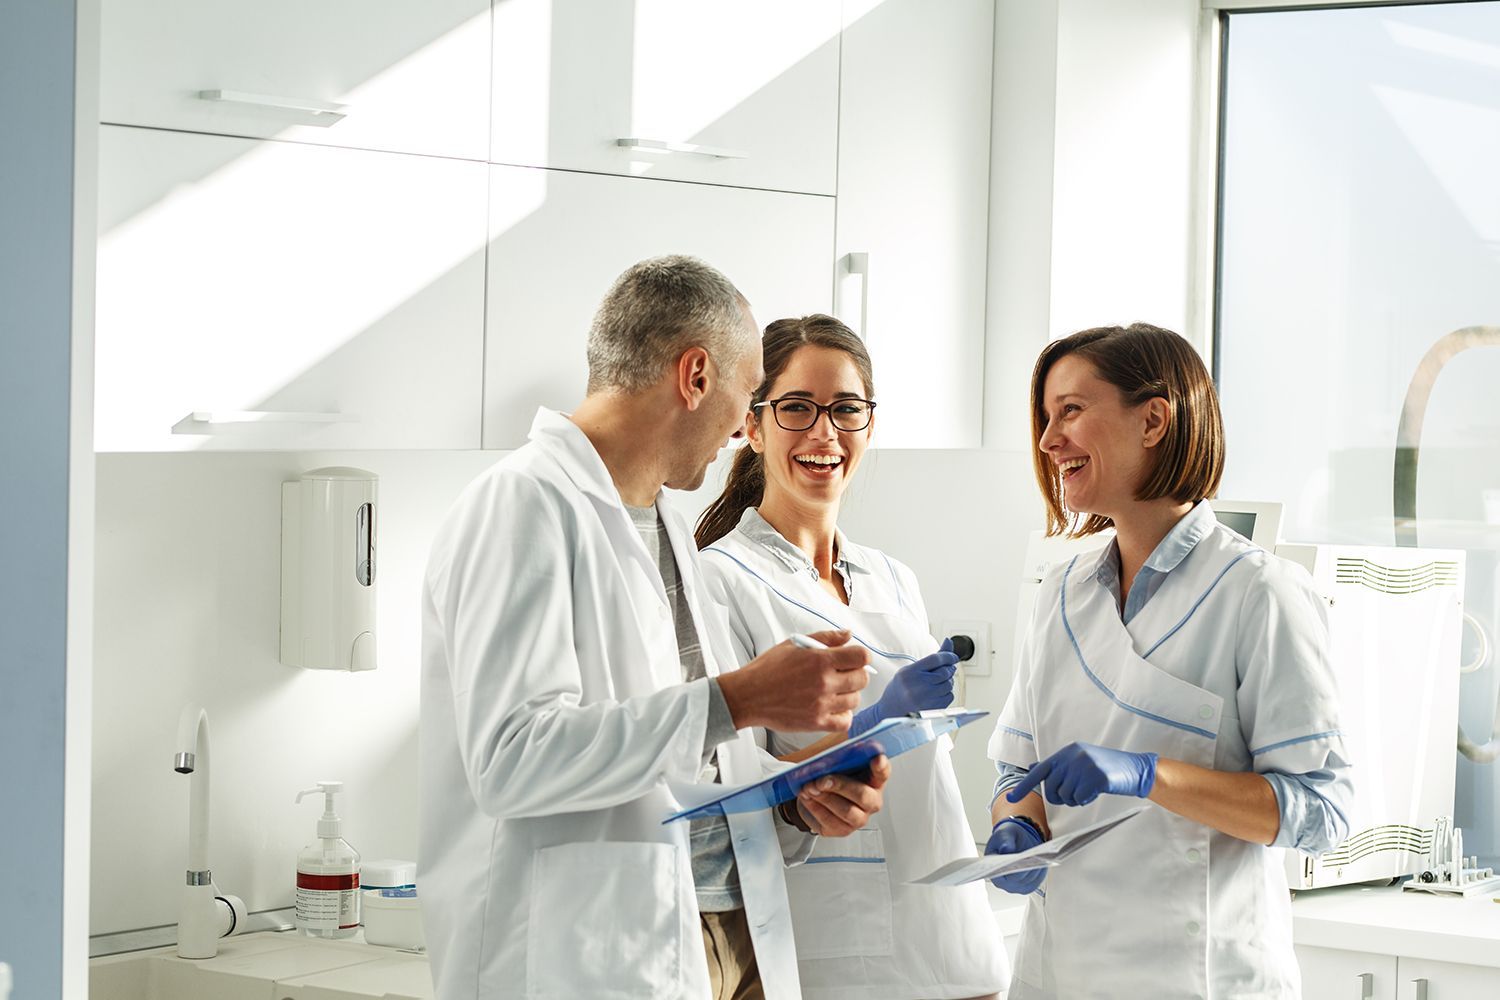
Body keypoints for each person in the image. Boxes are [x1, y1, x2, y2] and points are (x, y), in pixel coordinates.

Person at [419, 257, 892, 1000]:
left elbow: (678, 761)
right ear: (696, 375)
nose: (744, 428)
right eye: (749, 394)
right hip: (583, 957)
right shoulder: (521, 507)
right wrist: (738, 700)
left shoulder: (671, 521)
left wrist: (793, 798)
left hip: (725, 933)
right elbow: (511, 759)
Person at [985, 323, 1354, 998]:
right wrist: (1015, 819)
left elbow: (1320, 810)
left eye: (1069, 410)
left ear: (1153, 419)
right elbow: (1019, 765)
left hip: (1199, 978)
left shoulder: (1258, 594)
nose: (1047, 440)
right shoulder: (1060, 595)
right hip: (1059, 973)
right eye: (1045, 417)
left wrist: (1147, 775)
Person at [696, 314, 1010, 1000]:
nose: (824, 433)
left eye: (845, 409)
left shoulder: (893, 578)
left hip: (943, 926)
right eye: (797, 408)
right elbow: (731, 799)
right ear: (752, 426)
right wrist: (875, 722)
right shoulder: (720, 582)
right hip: (823, 940)